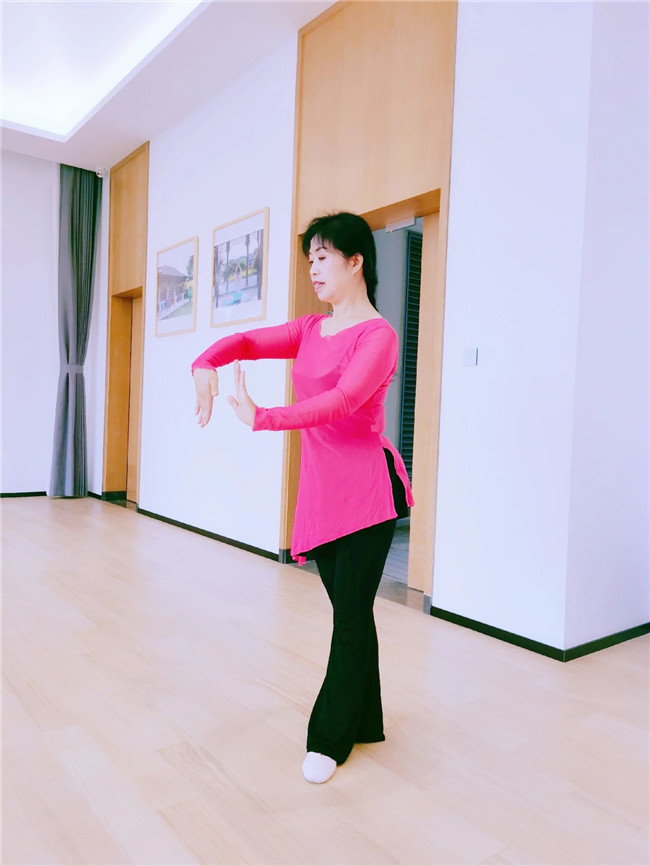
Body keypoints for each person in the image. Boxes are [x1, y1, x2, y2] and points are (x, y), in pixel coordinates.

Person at [192, 212, 414, 784]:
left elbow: (343, 402)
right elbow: (248, 341)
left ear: (355, 261)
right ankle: (366, 720)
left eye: (322, 256)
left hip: (369, 494)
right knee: (351, 613)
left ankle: (329, 738)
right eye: (309, 258)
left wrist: (265, 417)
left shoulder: (378, 337)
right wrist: (205, 361)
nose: (313, 268)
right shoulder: (312, 329)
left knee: (350, 617)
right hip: (322, 492)